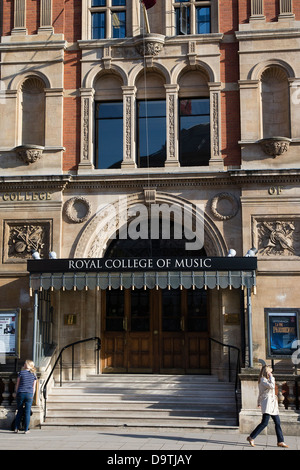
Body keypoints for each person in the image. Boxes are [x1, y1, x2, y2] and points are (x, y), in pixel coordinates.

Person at [247, 365, 288, 448]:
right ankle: (251, 437)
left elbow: (261, 393)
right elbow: (272, 386)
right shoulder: (263, 380)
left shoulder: (267, 380)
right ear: (267, 372)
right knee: (264, 423)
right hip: (268, 403)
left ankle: (280, 441)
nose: (271, 373)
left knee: (277, 423)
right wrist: (272, 378)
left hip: (272, 404)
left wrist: (258, 402)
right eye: (270, 372)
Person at [14, 360, 37, 434]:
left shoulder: (21, 373)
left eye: (25, 363)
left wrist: (16, 392)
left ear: (27, 365)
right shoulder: (34, 375)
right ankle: (26, 429)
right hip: (29, 394)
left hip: (21, 393)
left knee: (19, 411)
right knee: (27, 412)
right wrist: (32, 395)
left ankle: (16, 428)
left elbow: (17, 384)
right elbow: (34, 387)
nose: (24, 364)